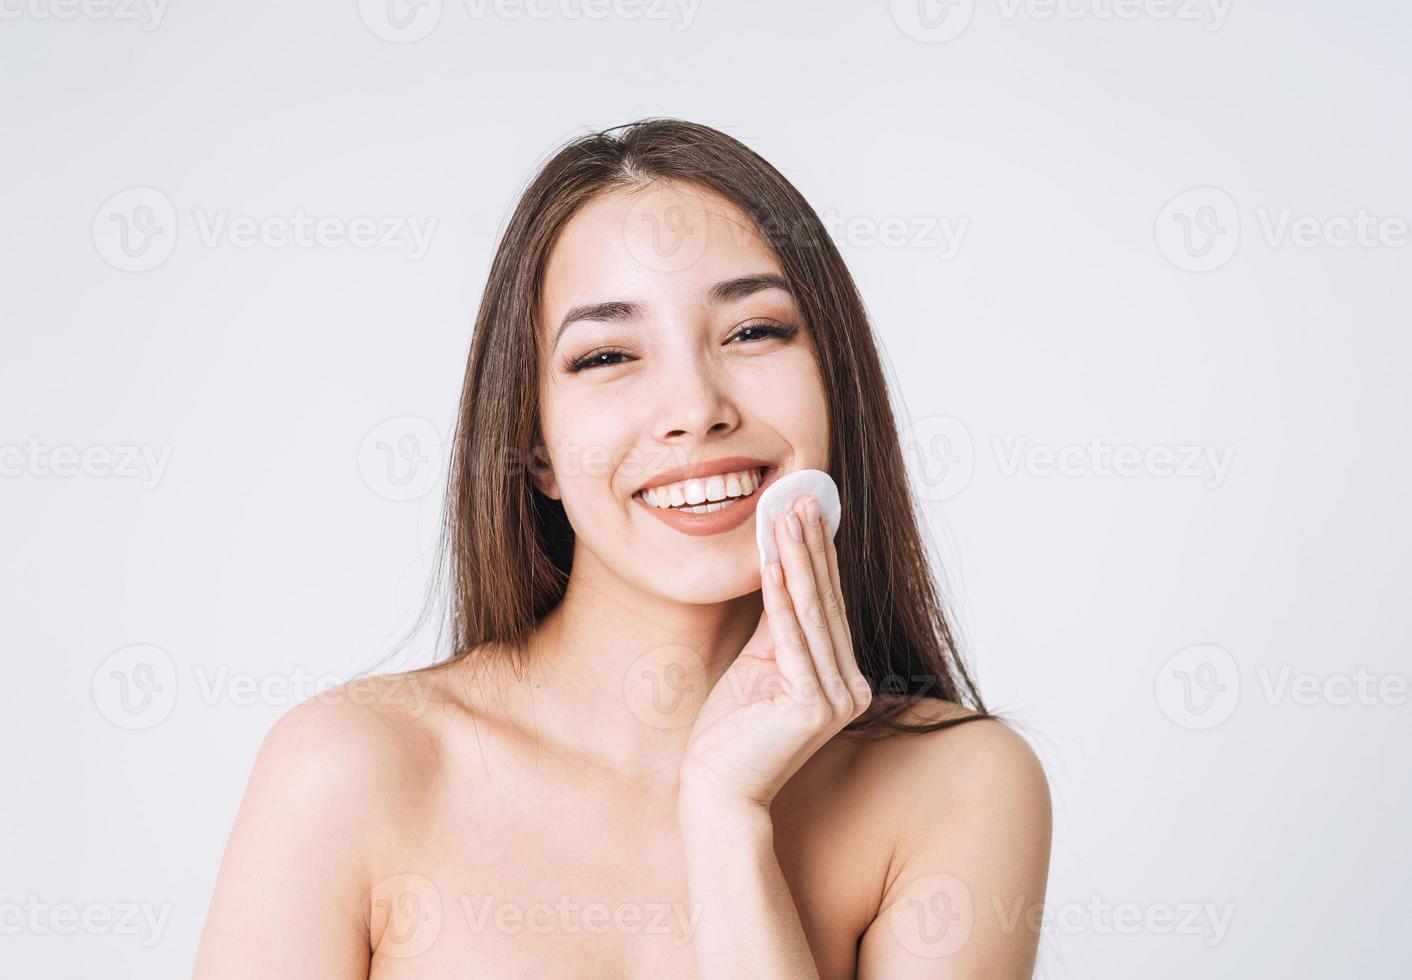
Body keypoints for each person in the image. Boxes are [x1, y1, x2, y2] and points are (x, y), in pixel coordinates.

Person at [193, 118, 1052, 979]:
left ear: (837, 384)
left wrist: (724, 817)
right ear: (535, 447)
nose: (695, 407)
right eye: (607, 354)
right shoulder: (349, 768)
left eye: (754, 332)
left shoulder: (961, 786)